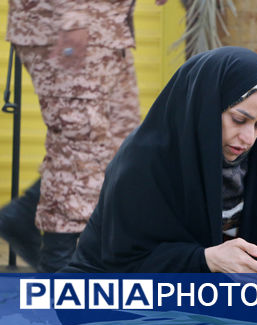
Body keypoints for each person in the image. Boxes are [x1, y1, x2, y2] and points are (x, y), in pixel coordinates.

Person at [62, 46, 257, 324]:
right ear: (206, 108)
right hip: (128, 292)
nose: (247, 138)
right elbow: (125, 262)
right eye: (238, 119)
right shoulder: (145, 161)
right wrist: (206, 259)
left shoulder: (253, 159)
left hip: (213, 292)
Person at [1, 0, 162, 271]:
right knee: (80, 146)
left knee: (120, 146)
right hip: (71, 23)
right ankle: (60, 272)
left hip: (109, 29)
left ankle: (23, 215)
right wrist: (73, 18)